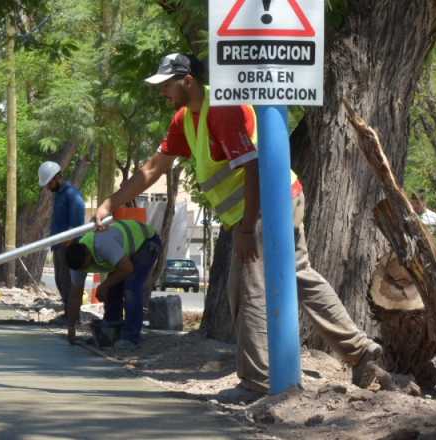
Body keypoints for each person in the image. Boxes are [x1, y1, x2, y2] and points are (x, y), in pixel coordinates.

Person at [90, 53, 382, 399]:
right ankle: (363, 352)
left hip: (267, 205)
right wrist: (111, 201)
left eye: (166, 85)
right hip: (271, 201)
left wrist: (245, 229)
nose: (162, 92)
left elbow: (253, 168)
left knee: (248, 290)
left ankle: (257, 383)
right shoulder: (185, 119)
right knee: (299, 276)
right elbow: (154, 168)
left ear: (188, 81)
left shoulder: (222, 109)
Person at [64, 220, 161, 350]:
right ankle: (110, 334)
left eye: (87, 265)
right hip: (125, 252)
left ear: (88, 253)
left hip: (146, 242)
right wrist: (71, 327)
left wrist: (103, 286)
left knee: (131, 288)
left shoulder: (102, 244)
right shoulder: (77, 265)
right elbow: (75, 296)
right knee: (113, 287)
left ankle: (131, 338)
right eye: (82, 269)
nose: (86, 270)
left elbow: (127, 269)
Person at [37, 161, 86, 324]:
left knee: (68, 283)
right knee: (60, 281)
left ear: (57, 178)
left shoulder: (72, 194)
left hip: (69, 247)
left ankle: (73, 317)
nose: (47, 187)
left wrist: (68, 244)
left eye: (48, 182)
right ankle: (68, 313)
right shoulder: (59, 195)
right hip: (59, 246)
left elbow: (77, 223)